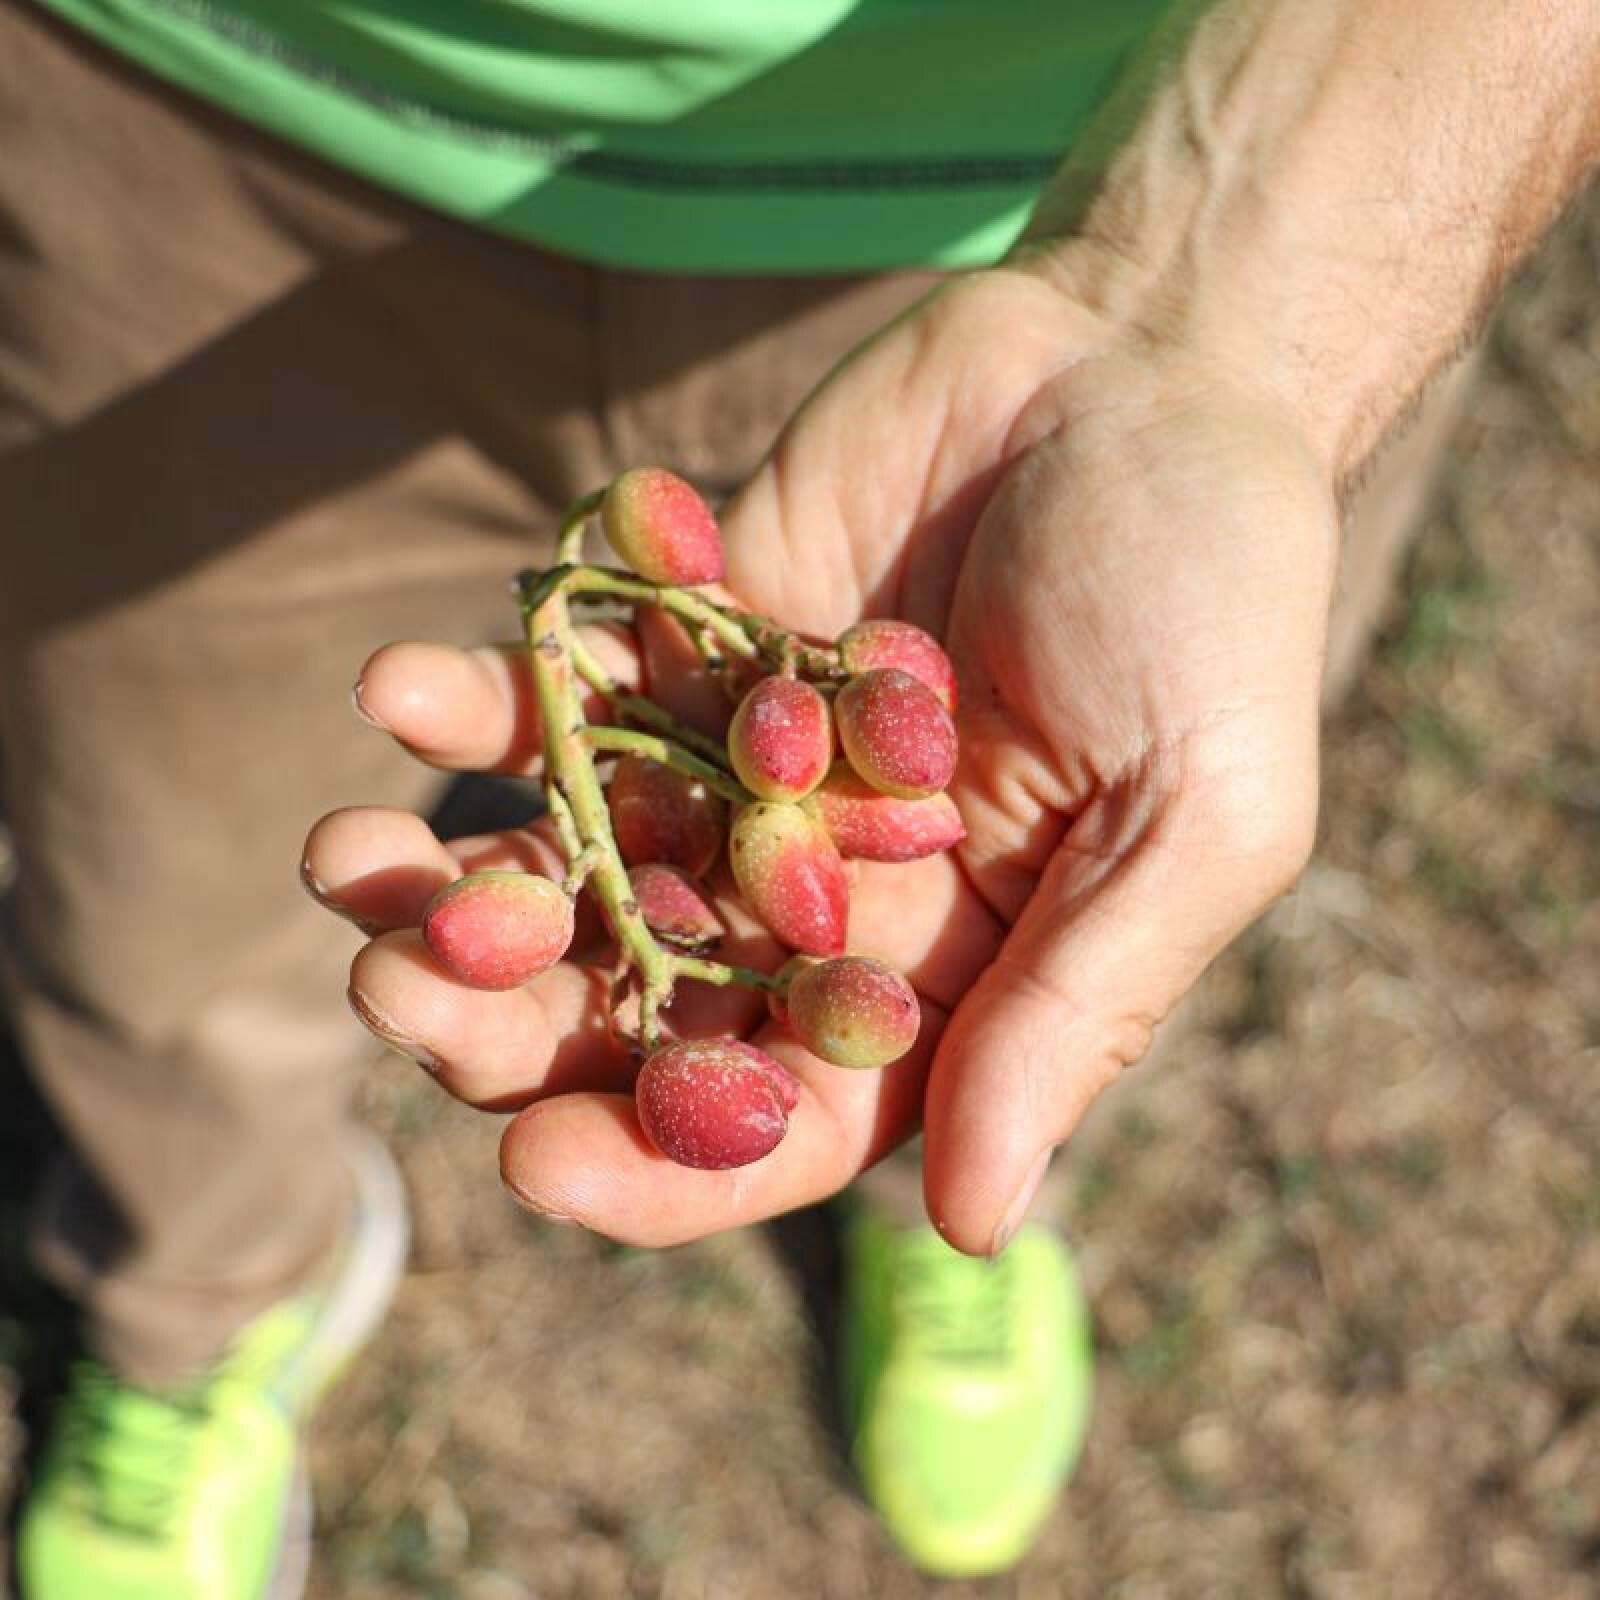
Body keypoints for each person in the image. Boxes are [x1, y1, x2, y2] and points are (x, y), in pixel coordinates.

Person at [3, 1, 1597, 1594]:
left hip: (1124, 163)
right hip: (209, 123)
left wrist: (1216, 308)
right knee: (154, 906)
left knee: (1044, 894)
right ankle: (190, 1303)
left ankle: (962, 1194)